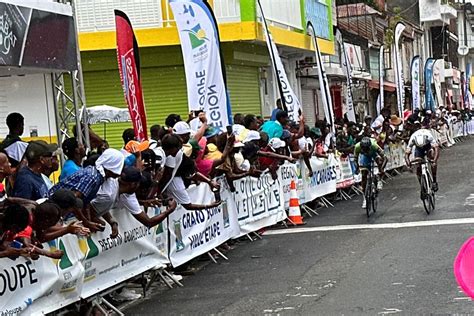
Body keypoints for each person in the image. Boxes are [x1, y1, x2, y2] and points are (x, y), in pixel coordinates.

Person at [50, 148, 125, 231]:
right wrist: (86, 222)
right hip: (54, 209)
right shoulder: (93, 177)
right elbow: (73, 199)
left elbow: (86, 200)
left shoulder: (98, 177)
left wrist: (89, 221)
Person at [404, 122, 440, 192]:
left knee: (432, 157)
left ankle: (434, 181)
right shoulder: (413, 138)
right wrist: (409, 165)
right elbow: (406, 154)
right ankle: (422, 186)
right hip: (419, 149)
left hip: (428, 146)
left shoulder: (428, 135)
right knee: (418, 166)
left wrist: (434, 160)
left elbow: (436, 149)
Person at [354, 137, 387, 209]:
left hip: (374, 153)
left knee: (380, 162)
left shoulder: (374, 145)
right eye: (364, 149)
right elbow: (355, 160)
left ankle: (379, 180)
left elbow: (385, 158)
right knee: (364, 174)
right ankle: (365, 198)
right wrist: (357, 168)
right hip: (365, 157)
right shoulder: (357, 147)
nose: (365, 150)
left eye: (367, 149)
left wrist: (381, 169)